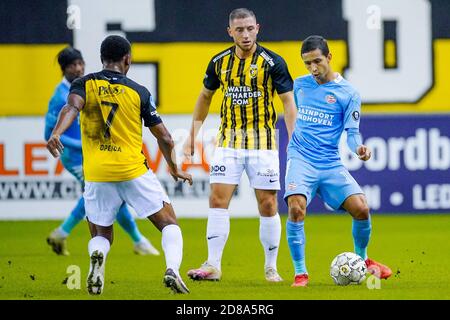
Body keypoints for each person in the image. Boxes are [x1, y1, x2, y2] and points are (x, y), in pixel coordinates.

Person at [46, 35, 192, 295]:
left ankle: (97, 259)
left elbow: (71, 107)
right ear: (128, 59)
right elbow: (166, 137)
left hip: (98, 173)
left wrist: (57, 133)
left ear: (101, 58)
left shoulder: (84, 84)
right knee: (169, 223)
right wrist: (173, 167)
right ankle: (172, 269)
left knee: (101, 236)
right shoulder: (139, 92)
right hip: (132, 170)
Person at [183, 8, 297, 282]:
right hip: (229, 142)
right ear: (230, 32)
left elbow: (288, 102)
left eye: (249, 29)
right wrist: (192, 136)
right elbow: (204, 97)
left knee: (268, 204)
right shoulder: (219, 62)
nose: (245, 35)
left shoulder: (273, 62)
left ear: (257, 28)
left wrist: (294, 140)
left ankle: (271, 267)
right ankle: (212, 265)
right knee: (217, 199)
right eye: (239, 30)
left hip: (263, 143)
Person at [285, 35, 393, 287]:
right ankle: (301, 273)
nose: (313, 68)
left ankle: (364, 260)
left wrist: (360, 150)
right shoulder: (300, 85)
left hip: (330, 163)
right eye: (307, 63)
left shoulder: (348, 93)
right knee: (296, 207)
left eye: (317, 61)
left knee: (361, 208)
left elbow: (352, 134)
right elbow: (295, 113)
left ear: (330, 57)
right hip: (301, 159)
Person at [45, 47, 160, 257]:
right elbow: (49, 132)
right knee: (96, 193)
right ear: (64, 69)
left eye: (80, 63)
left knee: (111, 197)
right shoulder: (60, 97)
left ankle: (137, 241)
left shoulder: (87, 88)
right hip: (75, 157)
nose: (78, 68)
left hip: (94, 155)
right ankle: (63, 233)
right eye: (73, 65)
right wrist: (85, 146)